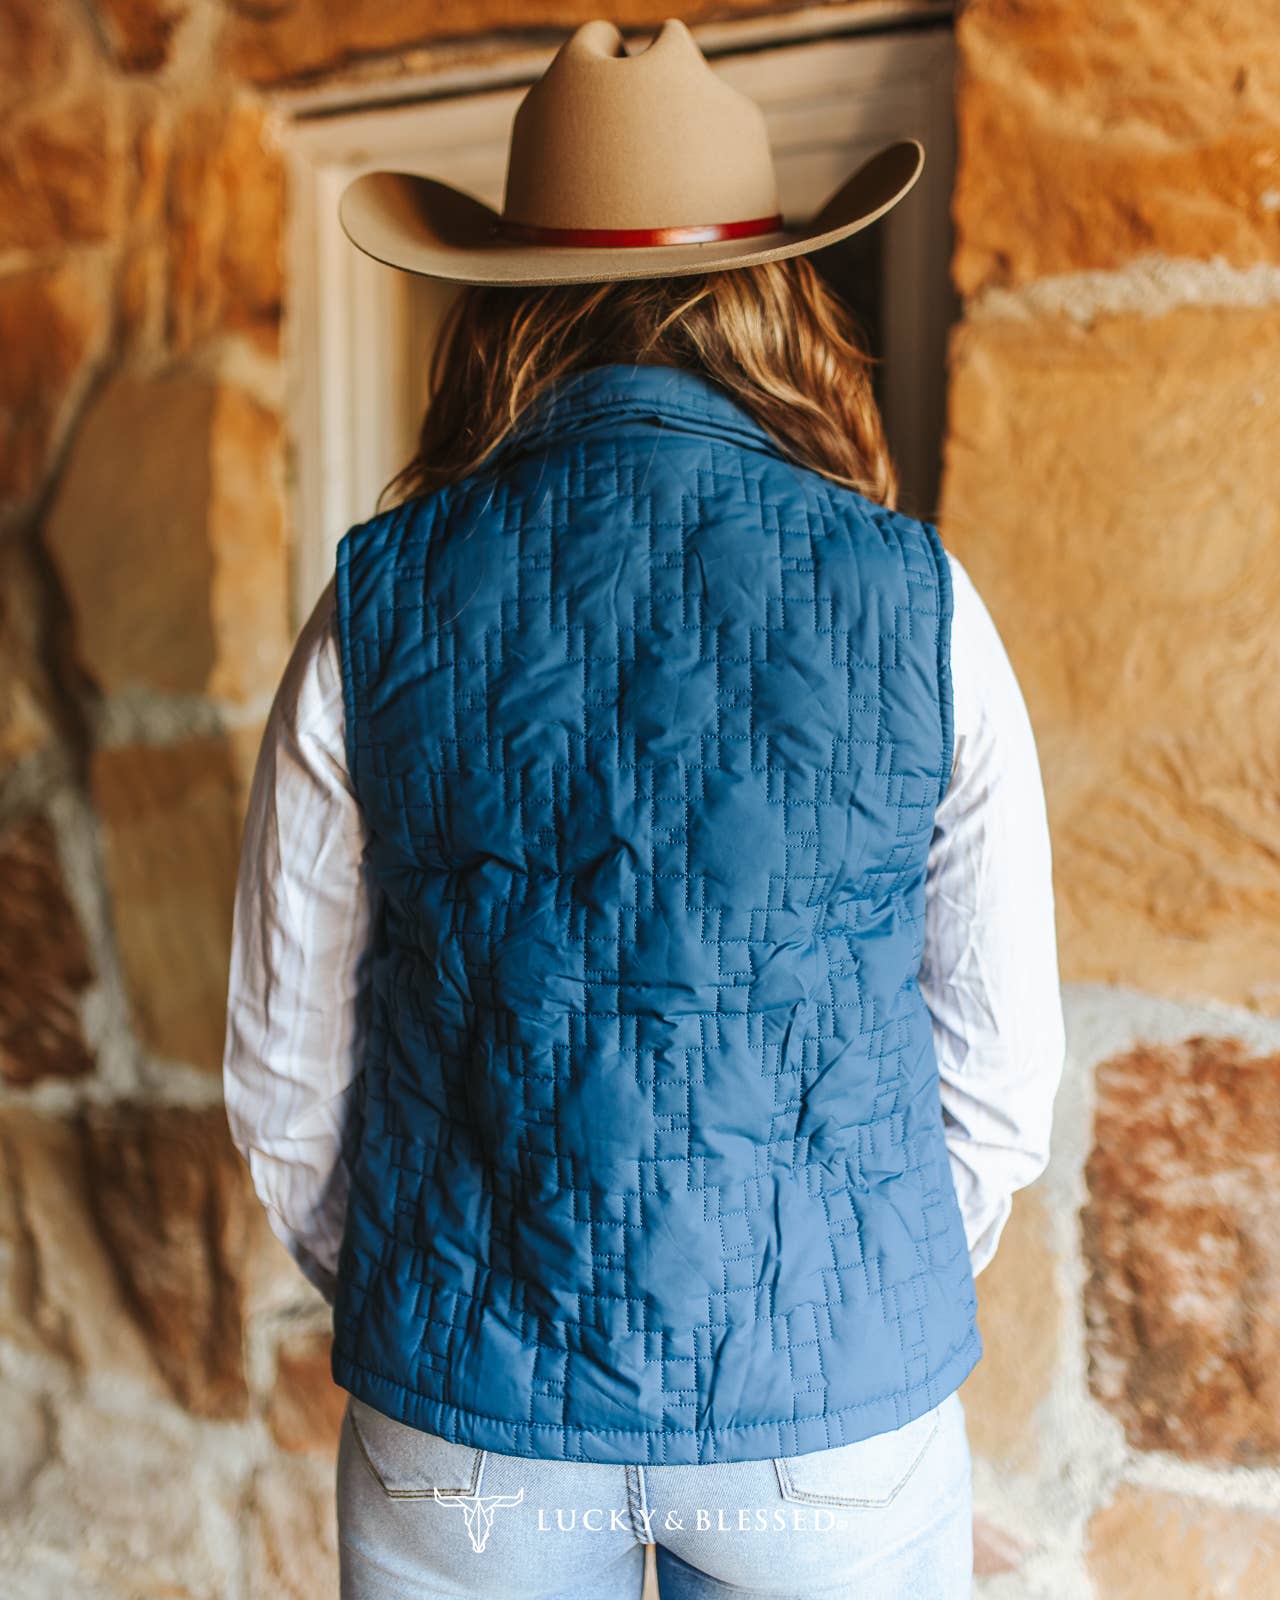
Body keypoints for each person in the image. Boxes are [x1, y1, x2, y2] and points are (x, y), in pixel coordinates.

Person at [223, 18, 1066, 1599]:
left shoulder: (378, 609)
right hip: (829, 1437)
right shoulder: (920, 601)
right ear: (771, 289)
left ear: (500, 307)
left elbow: (286, 1086)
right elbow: (1003, 1069)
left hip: (471, 1445)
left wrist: (437, 1291)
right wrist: (845, 1294)